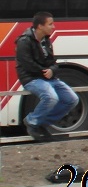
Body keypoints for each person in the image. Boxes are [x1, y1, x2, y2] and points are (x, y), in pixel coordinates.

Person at [15, 12, 79, 142]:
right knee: (51, 97)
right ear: (40, 26)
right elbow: (27, 65)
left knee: (72, 99)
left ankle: (42, 123)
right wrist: (45, 71)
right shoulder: (24, 41)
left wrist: (52, 70)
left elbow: (53, 62)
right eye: (50, 24)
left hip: (48, 78)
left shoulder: (46, 40)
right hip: (31, 79)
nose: (53, 27)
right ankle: (32, 121)